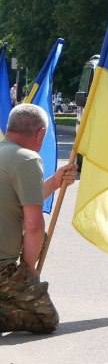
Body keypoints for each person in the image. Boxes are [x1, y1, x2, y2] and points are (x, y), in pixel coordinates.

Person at [0, 104, 77, 335]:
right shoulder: (27, 159)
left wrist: (55, 182)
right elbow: (33, 225)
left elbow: (16, 198)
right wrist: (29, 271)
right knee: (46, 318)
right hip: (2, 269)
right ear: (41, 133)